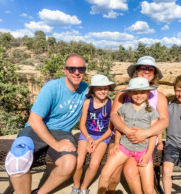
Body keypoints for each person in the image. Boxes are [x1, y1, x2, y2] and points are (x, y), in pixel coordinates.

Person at [4, 54, 88, 194]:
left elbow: (104, 101)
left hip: (62, 133)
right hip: (36, 129)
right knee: (18, 159)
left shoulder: (86, 89)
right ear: (65, 70)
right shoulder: (52, 87)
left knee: (69, 163)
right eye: (72, 69)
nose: (77, 72)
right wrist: (55, 144)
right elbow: (34, 120)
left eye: (81, 69)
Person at [107, 56, 169, 193]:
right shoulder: (124, 93)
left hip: (145, 141)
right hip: (120, 137)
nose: (147, 71)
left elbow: (164, 120)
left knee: (130, 171)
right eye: (143, 68)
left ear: (154, 74)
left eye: (150, 69)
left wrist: (145, 133)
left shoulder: (159, 96)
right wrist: (127, 131)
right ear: (136, 71)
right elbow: (114, 115)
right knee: (113, 173)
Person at [98, 77, 159, 194]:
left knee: (148, 189)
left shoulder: (152, 111)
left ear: (147, 92)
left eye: (142, 92)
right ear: (130, 93)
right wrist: (116, 143)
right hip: (125, 147)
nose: (138, 95)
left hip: (143, 151)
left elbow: (153, 134)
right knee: (105, 173)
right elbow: (119, 127)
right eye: (134, 92)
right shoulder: (125, 108)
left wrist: (148, 155)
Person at [71, 74, 115, 194]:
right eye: (99, 88)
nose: (103, 91)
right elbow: (82, 125)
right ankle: (76, 186)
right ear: (93, 90)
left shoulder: (111, 104)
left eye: (105, 88)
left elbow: (110, 129)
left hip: (102, 137)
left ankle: (84, 187)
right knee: (79, 161)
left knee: (94, 164)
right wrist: (89, 138)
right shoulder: (87, 103)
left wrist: (97, 141)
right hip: (86, 135)